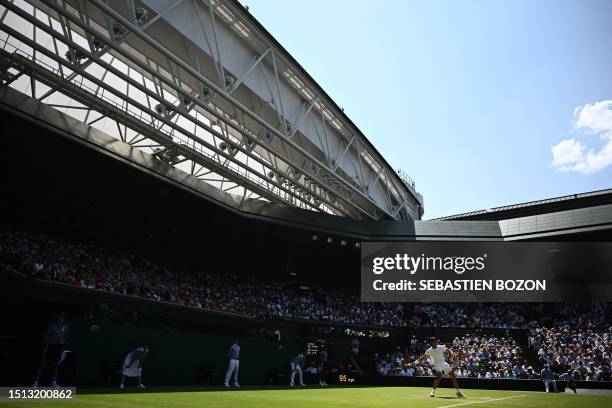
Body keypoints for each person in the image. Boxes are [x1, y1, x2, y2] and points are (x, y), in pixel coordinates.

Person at [33, 312, 69, 388]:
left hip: (59, 347)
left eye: (62, 316)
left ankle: (53, 382)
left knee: (56, 365)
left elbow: (66, 336)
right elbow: (46, 336)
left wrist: (62, 343)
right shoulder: (52, 326)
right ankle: (36, 382)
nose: (61, 318)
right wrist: (47, 344)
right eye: (60, 316)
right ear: (57, 317)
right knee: (43, 364)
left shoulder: (65, 326)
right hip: (50, 346)